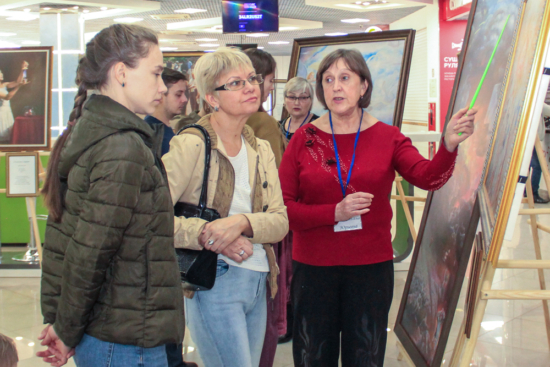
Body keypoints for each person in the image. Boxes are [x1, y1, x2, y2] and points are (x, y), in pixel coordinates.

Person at [278, 48, 477, 366]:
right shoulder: (305, 140)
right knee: (313, 354)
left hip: (369, 268)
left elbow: (429, 178)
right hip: (313, 270)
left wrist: (448, 145)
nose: (336, 87)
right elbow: (283, 211)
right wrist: (335, 213)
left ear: (364, 86)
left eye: (345, 78)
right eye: (328, 80)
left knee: (365, 356)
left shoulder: (388, 137)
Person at [38, 24, 184, 367]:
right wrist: (65, 329)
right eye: (156, 73)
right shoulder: (121, 146)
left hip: (112, 332)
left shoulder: (99, 133)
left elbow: (73, 241)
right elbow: (89, 254)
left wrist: (63, 322)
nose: (162, 87)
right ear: (121, 73)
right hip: (124, 340)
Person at [162, 47, 288, 367]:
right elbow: (149, 215)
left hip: (260, 279)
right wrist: (207, 233)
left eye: (251, 79)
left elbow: (280, 221)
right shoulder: (191, 143)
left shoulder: (260, 148)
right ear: (211, 97)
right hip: (213, 280)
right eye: (234, 83)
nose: (249, 87)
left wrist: (240, 223)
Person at [145, 68, 198, 367]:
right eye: (178, 94)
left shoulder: (170, 133)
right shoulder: (157, 136)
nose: (183, 101)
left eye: (186, 94)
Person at [244, 48, 286, 167]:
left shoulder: (231, 118)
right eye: (270, 80)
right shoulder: (264, 122)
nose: (272, 87)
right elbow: (274, 171)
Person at [145, 67, 188, 156]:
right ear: (159, 95)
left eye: (184, 94)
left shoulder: (164, 131)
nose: (184, 99)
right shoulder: (151, 136)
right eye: (178, 94)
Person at [280, 77, 319, 142]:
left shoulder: (320, 126)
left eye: (303, 97)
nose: (297, 103)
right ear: (284, 99)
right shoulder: (279, 126)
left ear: (311, 100)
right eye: (292, 97)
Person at [0, 61, 29, 143]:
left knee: (9, 135)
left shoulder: (4, 85)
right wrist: (19, 87)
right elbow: (7, 97)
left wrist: (22, 70)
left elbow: (17, 82)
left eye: (1, 73)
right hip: (1, 114)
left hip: (7, 112)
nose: (1, 74)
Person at [527, 101, 550, 203]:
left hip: (530, 138)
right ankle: (533, 192)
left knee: (528, 166)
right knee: (538, 166)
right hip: (532, 139)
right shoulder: (537, 100)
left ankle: (527, 191)